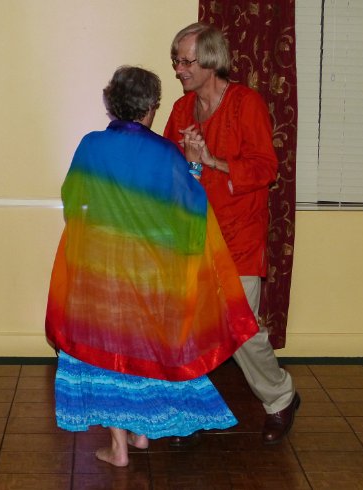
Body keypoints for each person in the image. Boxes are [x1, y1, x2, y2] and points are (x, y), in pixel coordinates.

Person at [45, 66, 259, 467]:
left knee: (106, 353)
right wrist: (193, 165)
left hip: (102, 270)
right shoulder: (165, 154)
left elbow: (73, 199)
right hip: (150, 275)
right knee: (142, 349)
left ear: (112, 105)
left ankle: (121, 445)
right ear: (150, 108)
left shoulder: (91, 146)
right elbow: (188, 212)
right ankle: (140, 434)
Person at [164, 23, 300, 446]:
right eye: (176, 61)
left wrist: (214, 160)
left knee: (242, 330)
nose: (179, 70)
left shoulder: (246, 103)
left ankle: (281, 397)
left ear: (211, 61)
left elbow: (266, 169)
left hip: (238, 237)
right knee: (187, 327)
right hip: (193, 235)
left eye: (186, 61)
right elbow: (174, 172)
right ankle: (188, 410)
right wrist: (187, 161)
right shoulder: (182, 110)